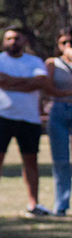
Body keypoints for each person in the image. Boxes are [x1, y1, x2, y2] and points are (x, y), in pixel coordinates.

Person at [0, 26, 51, 218]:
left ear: (24, 41)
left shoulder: (35, 61)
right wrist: (26, 82)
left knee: (31, 161)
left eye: (16, 38)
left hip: (29, 118)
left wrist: (11, 83)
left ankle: (33, 204)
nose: (12, 42)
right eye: (8, 38)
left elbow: (40, 82)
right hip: (1, 117)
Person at [46, 30, 72, 217]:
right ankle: (61, 204)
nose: (68, 46)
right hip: (59, 111)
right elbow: (48, 88)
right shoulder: (52, 63)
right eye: (64, 42)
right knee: (61, 161)